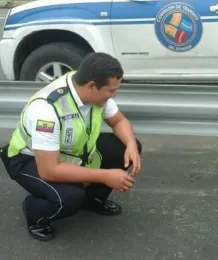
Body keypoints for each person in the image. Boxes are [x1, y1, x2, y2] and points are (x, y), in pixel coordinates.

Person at [0, 52, 143, 241]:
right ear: (92, 85)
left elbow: (118, 121)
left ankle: (92, 200)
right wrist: (106, 176)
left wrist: (131, 145)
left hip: (70, 151)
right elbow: (49, 170)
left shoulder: (88, 86)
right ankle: (35, 213)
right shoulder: (46, 110)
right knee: (69, 197)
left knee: (124, 148)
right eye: (111, 91)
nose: (114, 95)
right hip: (29, 158)